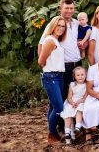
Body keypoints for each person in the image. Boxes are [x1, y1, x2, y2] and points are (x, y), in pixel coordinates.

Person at [38, 0, 81, 100]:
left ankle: (74, 116)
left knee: (77, 93)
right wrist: (42, 63)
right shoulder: (55, 24)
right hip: (65, 66)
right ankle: (60, 116)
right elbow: (41, 43)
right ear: (60, 9)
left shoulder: (76, 23)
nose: (69, 11)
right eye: (66, 8)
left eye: (71, 8)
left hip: (78, 64)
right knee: (64, 95)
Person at [37, 16, 67, 144]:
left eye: (63, 26)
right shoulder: (50, 40)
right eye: (58, 25)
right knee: (59, 107)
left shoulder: (56, 40)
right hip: (51, 77)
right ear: (53, 26)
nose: (60, 28)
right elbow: (40, 61)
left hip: (58, 77)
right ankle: (51, 134)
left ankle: (52, 132)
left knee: (52, 106)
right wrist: (47, 67)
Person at [60, 66, 88, 144]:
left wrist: (78, 102)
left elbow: (85, 97)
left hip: (81, 102)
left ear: (86, 75)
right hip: (71, 102)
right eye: (78, 75)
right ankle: (67, 133)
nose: (80, 76)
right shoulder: (72, 84)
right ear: (74, 76)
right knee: (67, 114)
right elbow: (69, 97)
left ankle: (78, 127)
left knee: (79, 109)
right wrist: (72, 103)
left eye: (82, 74)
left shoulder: (87, 85)